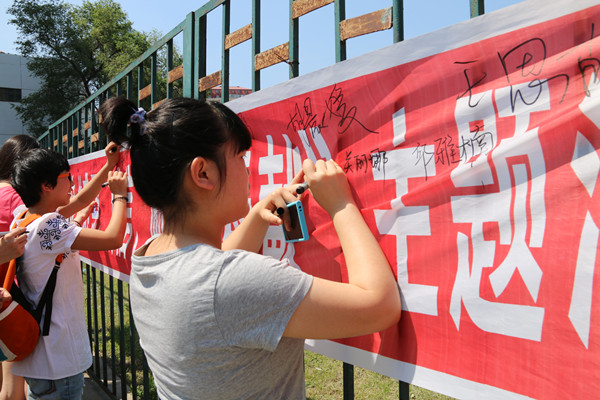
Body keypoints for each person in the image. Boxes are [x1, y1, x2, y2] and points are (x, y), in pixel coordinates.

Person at [100, 96, 402, 400]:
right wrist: (340, 204)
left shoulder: (150, 255)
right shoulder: (227, 283)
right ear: (203, 173)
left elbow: (211, 271)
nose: (248, 170)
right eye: (240, 157)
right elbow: (379, 307)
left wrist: (258, 215)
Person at [0, 135, 119, 400]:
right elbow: (114, 238)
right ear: (46, 185)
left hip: (42, 355)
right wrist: (120, 196)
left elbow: (76, 203)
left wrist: (107, 166)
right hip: (58, 360)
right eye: (68, 176)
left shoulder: (25, 218)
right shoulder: (48, 225)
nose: (73, 182)